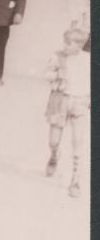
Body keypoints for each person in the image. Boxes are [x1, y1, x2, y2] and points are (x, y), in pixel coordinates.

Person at [44, 22, 90, 198]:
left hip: (80, 103)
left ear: (79, 45)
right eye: (64, 42)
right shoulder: (58, 57)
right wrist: (56, 76)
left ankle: (75, 179)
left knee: (77, 143)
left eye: (68, 43)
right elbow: (46, 74)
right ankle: (54, 156)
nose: (64, 46)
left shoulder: (88, 61)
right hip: (60, 100)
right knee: (53, 140)